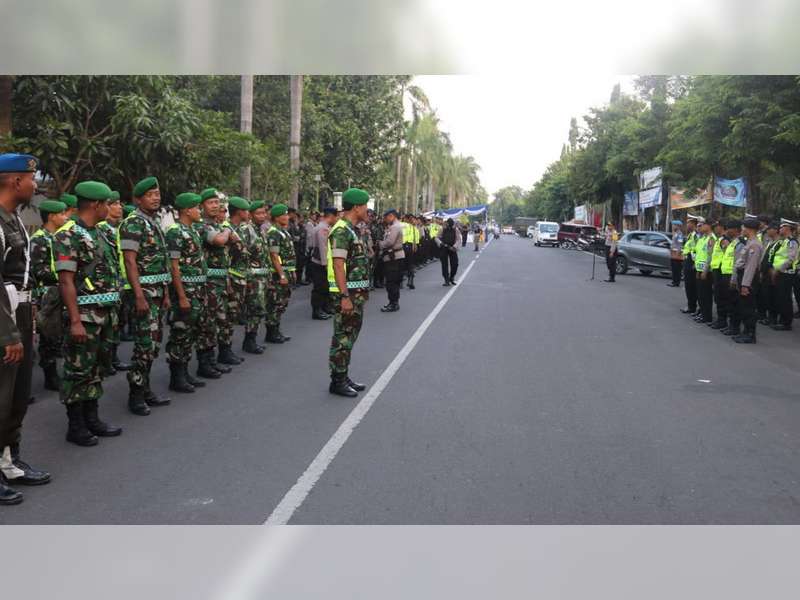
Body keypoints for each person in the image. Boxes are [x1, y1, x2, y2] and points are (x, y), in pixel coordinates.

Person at [53, 180, 123, 446]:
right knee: (78, 369)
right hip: (83, 314)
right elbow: (66, 281)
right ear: (96, 204)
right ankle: (76, 424)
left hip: (106, 313)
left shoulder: (102, 233)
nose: (111, 207)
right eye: (107, 203)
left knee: (97, 367)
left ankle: (92, 417)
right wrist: (74, 321)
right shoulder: (67, 234)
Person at [0, 153, 51, 505]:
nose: (35, 185)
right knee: (0, 397)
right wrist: (8, 334)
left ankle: (9, 460)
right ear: (15, 181)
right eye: (31, 178)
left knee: (17, 396)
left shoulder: (15, 219)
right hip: (4, 318)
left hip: (20, 312)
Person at [118, 176, 171, 416]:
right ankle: (136, 394)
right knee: (144, 344)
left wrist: (166, 292)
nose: (156, 197)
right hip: (144, 293)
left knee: (154, 343)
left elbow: (162, 263)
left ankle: (145, 387)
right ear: (138, 199)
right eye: (151, 195)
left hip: (158, 291)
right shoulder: (133, 223)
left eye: (158, 194)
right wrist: (138, 296)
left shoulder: (153, 222)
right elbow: (130, 261)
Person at [327, 188, 371, 397]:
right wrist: (345, 296)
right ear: (356, 207)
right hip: (348, 295)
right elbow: (338, 265)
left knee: (349, 336)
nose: (367, 210)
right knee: (342, 338)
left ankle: (343, 375)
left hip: (356, 294)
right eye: (365, 206)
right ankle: (337, 381)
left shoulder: (352, 229)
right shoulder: (342, 230)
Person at [164, 192, 209, 393]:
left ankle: (184, 372)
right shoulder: (175, 232)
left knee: (190, 332)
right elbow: (174, 267)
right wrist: (181, 296)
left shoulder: (191, 230)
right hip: (185, 290)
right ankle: (176, 376)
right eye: (197, 208)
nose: (199, 211)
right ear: (186, 210)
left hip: (197, 289)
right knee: (180, 332)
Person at [30, 199, 68, 391]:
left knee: (57, 335)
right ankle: (50, 376)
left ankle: (54, 372)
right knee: (48, 336)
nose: (65, 217)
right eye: (61, 214)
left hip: (59, 290)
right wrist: (64, 275)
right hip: (47, 292)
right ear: (52, 216)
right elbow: (38, 270)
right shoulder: (39, 239)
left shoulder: (58, 237)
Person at [195, 188, 233, 378]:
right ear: (202, 207)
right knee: (207, 322)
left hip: (220, 279)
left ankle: (212, 360)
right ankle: (204, 363)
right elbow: (219, 241)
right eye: (210, 203)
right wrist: (226, 230)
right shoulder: (202, 226)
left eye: (217, 202)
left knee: (219, 319)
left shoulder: (217, 225)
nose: (215, 206)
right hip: (207, 282)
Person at [97, 191, 131, 375]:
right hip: (109, 284)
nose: (120, 207)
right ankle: (105, 361)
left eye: (120, 204)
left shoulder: (120, 227)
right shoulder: (102, 228)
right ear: (107, 206)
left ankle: (113, 357)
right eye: (115, 204)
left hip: (123, 283)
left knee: (118, 323)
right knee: (107, 325)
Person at [240, 199, 270, 353]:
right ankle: (249, 341)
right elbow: (242, 255)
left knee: (259, 309)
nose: (262, 216)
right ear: (251, 215)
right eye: (258, 213)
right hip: (252, 277)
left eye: (264, 212)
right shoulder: (246, 230)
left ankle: (252, 338)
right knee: (253, 309)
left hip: (262, 277)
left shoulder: (262, 231)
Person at [222, 197, 250, 362]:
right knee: (227, 317)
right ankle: (224, 352)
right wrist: (228, 282)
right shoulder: (227, 229)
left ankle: (227, 349)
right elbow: (223, 259)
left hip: (239, 278)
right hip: (231, 279)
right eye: (246, 210)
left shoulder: (237, 228)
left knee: (232, 317)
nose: (248, 213)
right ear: (239, 212)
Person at [265, 203, 295, 343]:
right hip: (278, 275)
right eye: (284, 214)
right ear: (277, 218)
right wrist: (282, 275)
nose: (287, 217)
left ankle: (276, 330)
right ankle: (271, 332)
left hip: (287, 272)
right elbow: (274, 256)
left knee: (282, 303)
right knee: (275, 303)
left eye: (287, 214)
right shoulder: (274, 233)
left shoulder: (283, 231)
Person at [730, 218, 764, 343]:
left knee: (748, 308)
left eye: (744, 227)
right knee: (744, 306)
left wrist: (745, 285)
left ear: (749, 229)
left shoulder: (754, 244)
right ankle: (746, 332)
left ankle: (750, 334)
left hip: (748, 278)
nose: (742, 230)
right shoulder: (750, 242)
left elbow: (750, 267)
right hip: (743, 276)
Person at [770, 219, 798, 331]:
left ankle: (786, 322)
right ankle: (782, 320)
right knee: (780, 298)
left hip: (786, 273)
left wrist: (778, 269)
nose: (779, 229)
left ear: (787, 228)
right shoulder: (783, 241)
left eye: (781, 227)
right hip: (780, 273)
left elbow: (790, 259)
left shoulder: (792, 242)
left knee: (785, 298)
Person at [310, 207, 337, 320]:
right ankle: (317, 310)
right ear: (331, 216)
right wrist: (326, 264)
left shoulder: (324, 227)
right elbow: (323, 247)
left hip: (321, 261)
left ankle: (325, 307)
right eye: (335, 217)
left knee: (326, 286)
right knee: (320, 287)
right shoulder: (323, 228)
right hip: (320, 262)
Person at [379, 208, 405, 313]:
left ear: (391, 216)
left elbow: (389, 242)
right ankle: (394, 302)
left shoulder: (394, 227)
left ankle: (393, 303)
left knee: (391, 281)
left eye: (386, 217)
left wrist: (380, 243)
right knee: (394, 281)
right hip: (395, 256)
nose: (386, 219)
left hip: (393, 257)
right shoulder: (395, 226)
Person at [757, 222, 780, 325]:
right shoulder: (771, 242)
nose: (768, 231)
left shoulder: (780, 242)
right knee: (766, 295)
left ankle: (773, 318)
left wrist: (773, 269)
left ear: (775, 230)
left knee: (773, 296)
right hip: (765, 271)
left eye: (770, 229)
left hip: (772, 271)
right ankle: (768, 316)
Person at [693, 218, 715, 324]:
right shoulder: (703, 238)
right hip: (699, 269)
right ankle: (702, 313)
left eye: (703, 225)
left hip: (707, 271)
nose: (701, 227)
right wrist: (698, 269)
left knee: (706, 294)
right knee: (701, 294)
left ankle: (707, 316)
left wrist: (705, 271)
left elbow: (710, 256)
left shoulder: (711, 238)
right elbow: (698, 255)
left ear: (709, 226)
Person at [680, 216, 698, 314]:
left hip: (692, 262)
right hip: (687, 260)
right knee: (688, 285)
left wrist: (694, 262)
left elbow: (696, 250)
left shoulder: (696, 236)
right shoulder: (690, 235)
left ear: (693, 224)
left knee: (691, 286)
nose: (687, 225)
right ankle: (690, 305)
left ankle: (692, 307)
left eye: (688, 223)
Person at [436, 218, 461, 286]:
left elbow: (459, 239)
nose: (449, 225)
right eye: (448, 223)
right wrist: (441, 243)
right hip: (444, 248)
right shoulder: (442, 229)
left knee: (455, 264)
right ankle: (446, 279)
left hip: (452, 249)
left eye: (451, 224)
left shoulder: (456, 230)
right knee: (444, 265)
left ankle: (451, 277)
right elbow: (436, 237)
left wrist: (454, 246)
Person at [668, 220, 684, 287]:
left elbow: (680, 244)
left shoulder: (680, 234)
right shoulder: (675, 233)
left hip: (677, 254)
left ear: (678, 226)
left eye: (674, 225)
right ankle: (674, 281)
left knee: (677, 269)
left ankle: (676, 282)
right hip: (673, 253)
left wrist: (677, 253)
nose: (673, 226)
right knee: (674, 269)